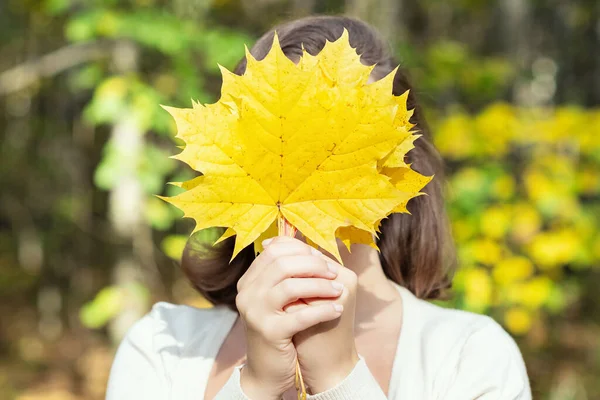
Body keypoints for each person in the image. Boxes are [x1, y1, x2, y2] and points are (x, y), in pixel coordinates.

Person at [106, 15, 531, 400]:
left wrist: (339, 379)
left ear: (402, 163)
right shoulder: (164, 344)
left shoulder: (470, 356)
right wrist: (255, 386)